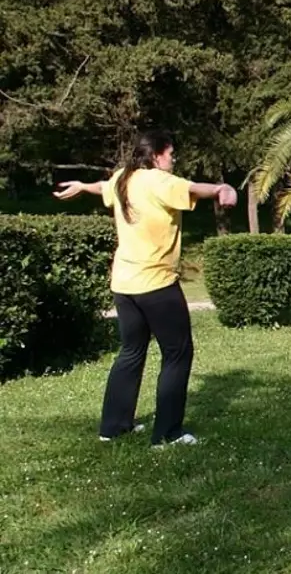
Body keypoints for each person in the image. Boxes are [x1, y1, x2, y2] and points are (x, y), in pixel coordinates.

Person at [52, 131, 237, 446]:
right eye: (171, 154)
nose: (173, 159)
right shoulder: (159, 180)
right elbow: (195, 189)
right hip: (155, 284)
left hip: (123, 284)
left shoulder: (125, 177)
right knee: (177, 352)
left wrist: (83, 186)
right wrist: (222, 187)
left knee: (131, 350)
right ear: (157, 155)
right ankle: (167, 435)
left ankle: (113, 427)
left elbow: (104, 187)